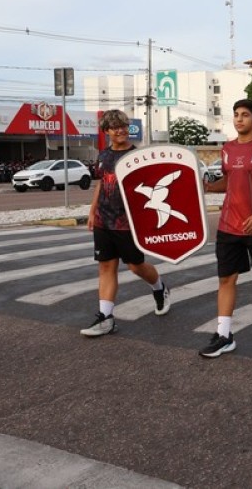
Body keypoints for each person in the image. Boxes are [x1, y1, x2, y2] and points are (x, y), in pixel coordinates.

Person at [199, 99, 252, 358]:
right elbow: (229, 181)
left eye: (245, 115)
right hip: (228, 226)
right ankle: (224, 335)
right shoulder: (227, 149)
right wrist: (209, 187)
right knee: (226, 278)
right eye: (236, 114)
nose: (239, 119)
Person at [80, 109, 170, 337]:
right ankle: (106, 317)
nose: (120, 130)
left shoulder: (137, 156)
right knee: (106, 266)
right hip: (103, 220)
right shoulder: (103, 155)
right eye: (115, 127)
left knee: (135, 266)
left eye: (123, 126)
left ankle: (159, 288)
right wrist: (92, 211)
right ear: (107, 131)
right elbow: (101, 183)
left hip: (127, 222)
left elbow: (151, 188)